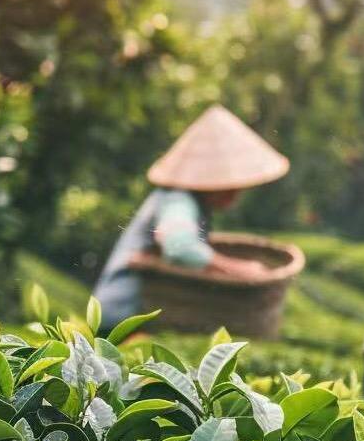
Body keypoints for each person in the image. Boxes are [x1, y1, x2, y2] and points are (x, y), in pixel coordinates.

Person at [93, 104, 290, 330]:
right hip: (121, 318)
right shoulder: (178, 200)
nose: (236, 193)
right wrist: (238, 269)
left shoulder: (191, 203)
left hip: (134, 318)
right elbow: (179, 246)